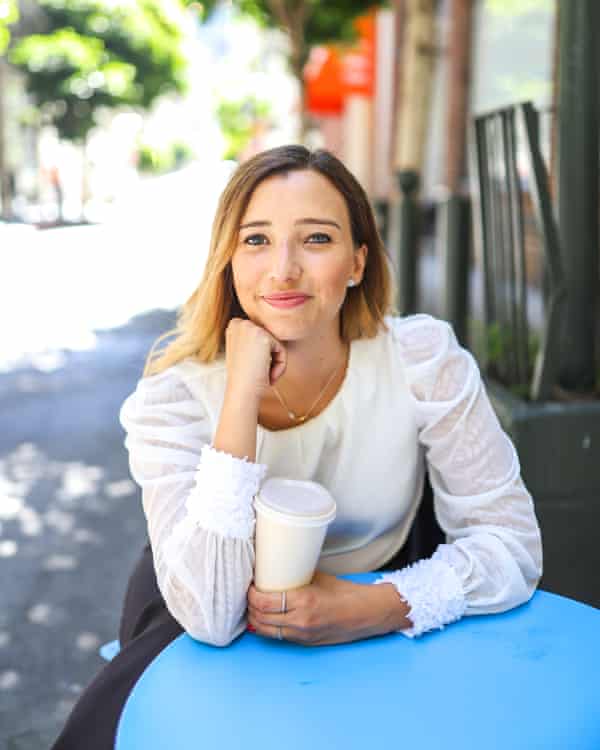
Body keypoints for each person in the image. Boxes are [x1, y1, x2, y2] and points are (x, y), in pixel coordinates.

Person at [51, 145, 543, 748]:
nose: (282, 269)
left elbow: (512, 544)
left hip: (386, 609)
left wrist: (378, 607)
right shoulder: (173, 398)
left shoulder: (422, 361)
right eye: (256, 240)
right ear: (228, 260)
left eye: (315, 239)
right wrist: (239, 398)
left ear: (358, 261)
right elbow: (209, 612)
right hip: (204, 623)